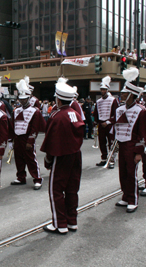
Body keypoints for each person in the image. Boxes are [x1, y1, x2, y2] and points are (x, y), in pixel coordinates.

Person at [41, 77, 85, 234]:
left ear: (58, 99)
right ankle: (72, 221)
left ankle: (59, 224)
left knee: (56, 190)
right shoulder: (75, 113)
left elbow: (51, 139)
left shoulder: (56, 115)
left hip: (61, 156)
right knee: (72, 189)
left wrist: (48, 159)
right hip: (75, 154)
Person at [113, 68, 146, 213]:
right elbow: (117, 127)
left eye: (124, 93)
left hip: (132, 146)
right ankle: (125, 195)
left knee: (131, 173)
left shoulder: (141, 111)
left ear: (131, 95)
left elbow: (143, 134)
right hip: (122, 145)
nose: (121, 95)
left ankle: (133, 199)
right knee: (122, 172)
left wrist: (139, 152)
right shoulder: (120, 109)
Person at [9, 79, 43, 190]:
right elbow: (13, 126)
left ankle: (37, 179)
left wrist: (30, 141)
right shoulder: (16, 111)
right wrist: (12, 140)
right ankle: (21, 177)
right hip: (18, 138)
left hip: (27, 138)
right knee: (18, 159)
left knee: (31, 159)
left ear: (28, 99)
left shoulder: (35, 111)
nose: (22, 102)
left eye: (24, 99)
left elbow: (34, 128)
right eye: (21, 100)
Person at [93, 75, 119, 168]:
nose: (102, 91)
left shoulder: (113, 100)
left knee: (111, 142)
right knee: (102, 142)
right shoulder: (98, 101)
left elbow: (116, 114)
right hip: (101, 124)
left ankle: (111, 160)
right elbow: (96, 113)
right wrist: (96, 122)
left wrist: (108, 122)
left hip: (109, 125)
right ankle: (104, 159)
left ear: (107, 90)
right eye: (101, 89)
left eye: (104, 89)